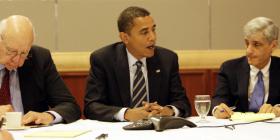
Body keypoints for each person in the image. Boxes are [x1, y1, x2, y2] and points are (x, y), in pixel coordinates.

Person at [84, 6, 191, 122]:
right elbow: (92, 107)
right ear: (125, 38)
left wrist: (168, 111)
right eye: (144, 32)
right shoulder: (103, 60)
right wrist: (126, 114)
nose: (153, 38)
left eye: (153, 30)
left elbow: (182, 103)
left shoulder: (167, 59)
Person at [0, 15, 81, 124]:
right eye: (11, 51)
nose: (18, 62)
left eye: (24, 53)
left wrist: (48, 116)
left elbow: (70, 106)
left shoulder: (40, 58)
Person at [212, 17, 280, 119]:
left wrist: (278, 109)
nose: (248, 51)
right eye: (247, 43)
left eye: (256, 44)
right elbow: (219, 99)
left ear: (273, 46)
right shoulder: (229, 68)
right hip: (237, 130)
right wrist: (217, 109)